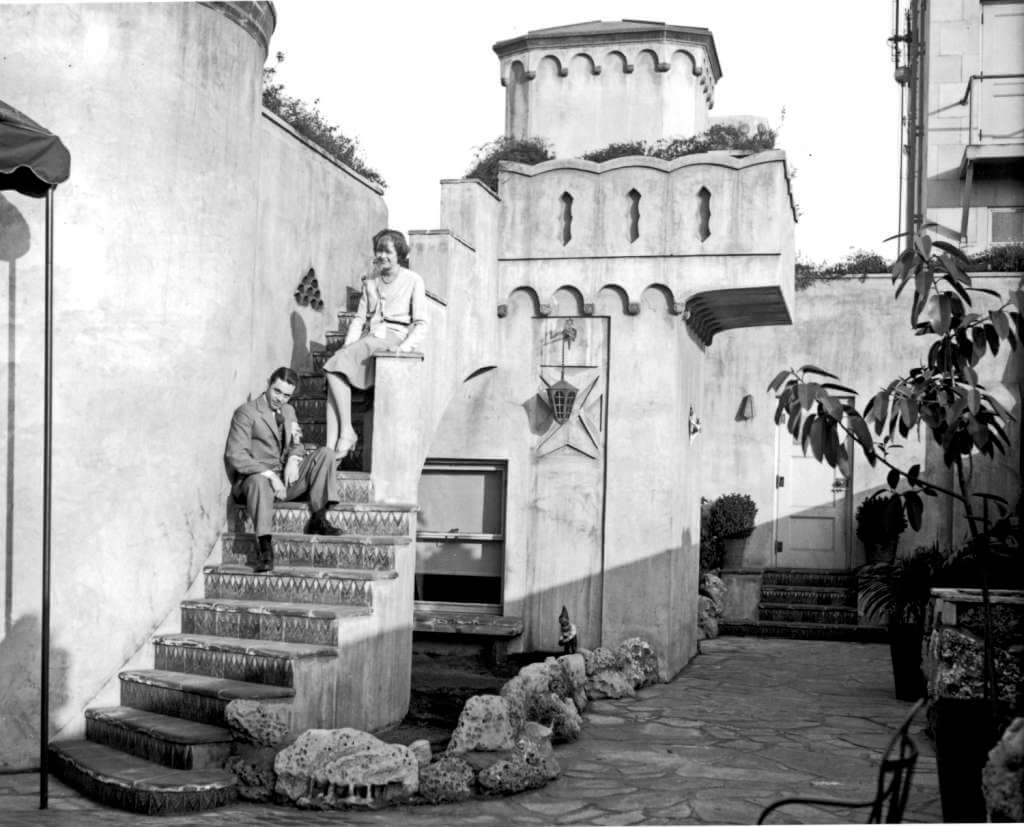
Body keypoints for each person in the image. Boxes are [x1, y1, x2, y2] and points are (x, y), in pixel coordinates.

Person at [224, 367, 342, 572]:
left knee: (326, 454)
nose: (280, 398)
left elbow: (296, 442)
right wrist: (270, 475)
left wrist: (293, 460)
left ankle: (319, 518)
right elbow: (236, 455)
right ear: (268, 383)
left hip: (285, 479)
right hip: (256, 480)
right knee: (259, 482)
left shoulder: (288, 411)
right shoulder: (247, 412)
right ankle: (265, 549)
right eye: (277, 391)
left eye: (286, 395)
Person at [322, 229, 427, 457]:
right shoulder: (371, 282)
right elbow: (360, 319)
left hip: (392, 336)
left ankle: (347, 432)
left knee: (333, 368)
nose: (382, 255)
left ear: (399, 253)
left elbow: (421, 323)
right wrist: (347, 346)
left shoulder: (413, 280)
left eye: (388, 251)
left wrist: (403, 348)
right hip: (371, 338)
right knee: (334, 373)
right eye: (379, 250)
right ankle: (330, 450)